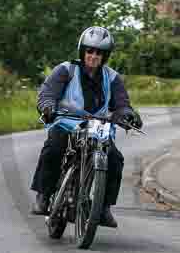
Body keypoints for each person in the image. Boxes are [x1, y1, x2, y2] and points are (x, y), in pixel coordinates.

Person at [30, 26, 143, 228]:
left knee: (115, 158)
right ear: (82, 51)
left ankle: (103, 208)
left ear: (105, 56)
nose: (93, 55)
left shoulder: (113, 78)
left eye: (99, 52)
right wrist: (47, 107)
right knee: (53, 148)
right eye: (90, 50)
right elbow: (47, 94)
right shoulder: (65, 70)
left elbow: (122, 104)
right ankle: (43, 196)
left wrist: (127, 115)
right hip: (66, 123)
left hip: (96, 128)